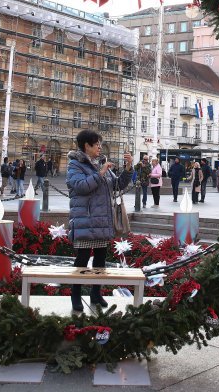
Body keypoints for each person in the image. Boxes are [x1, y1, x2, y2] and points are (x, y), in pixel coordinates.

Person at [67, 130, 133, 312]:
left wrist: (128, 168)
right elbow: (81, 187)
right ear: (86, 146)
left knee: (100, 260)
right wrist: (101, 172)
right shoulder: (75, 165)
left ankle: (96, 294)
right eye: (96, 144)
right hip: (85, 220)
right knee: (81, 260)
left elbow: (118, 185)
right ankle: (75, 295)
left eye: (100, 144)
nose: (99, 147)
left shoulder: (100, 164)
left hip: (102, 221)